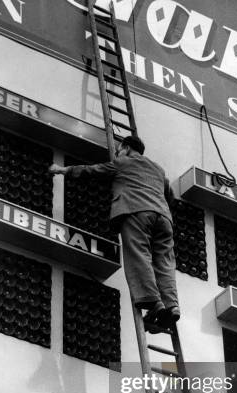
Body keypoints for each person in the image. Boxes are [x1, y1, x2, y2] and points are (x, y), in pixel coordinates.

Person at [49, 135, 179, 331]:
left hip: (135, 211)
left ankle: (153, 301)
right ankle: (172, 305)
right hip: (164, 218)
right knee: (165, 262)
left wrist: (62, 170)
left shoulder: (122, 163)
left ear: (126, 148)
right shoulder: (158, 169)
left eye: (119, 149)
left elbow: (92, 171)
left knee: (138, 254)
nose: (117, 152)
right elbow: (171, 196)